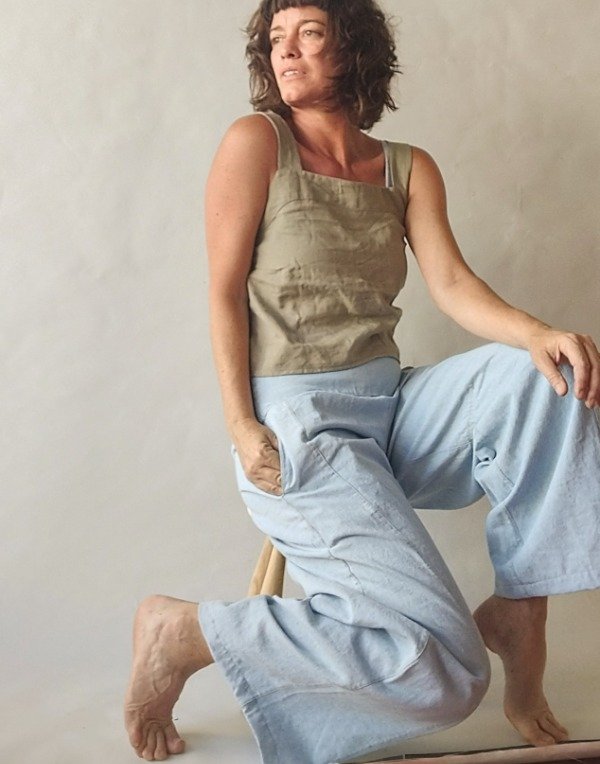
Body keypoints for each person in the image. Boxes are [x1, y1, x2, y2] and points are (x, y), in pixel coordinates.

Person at [124, 1, 600, 761]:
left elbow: (451, 284)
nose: (286, 52)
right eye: (276, 39)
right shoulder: (257, 142)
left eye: (308, 34)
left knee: (548, 377)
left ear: (352, 48)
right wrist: (241, 424)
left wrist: (539, 333)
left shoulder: (406, 166)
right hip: (302, 425)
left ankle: (520, 605)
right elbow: (222, 292)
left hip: (392, 407)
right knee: (448, 671)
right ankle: (188, 631)